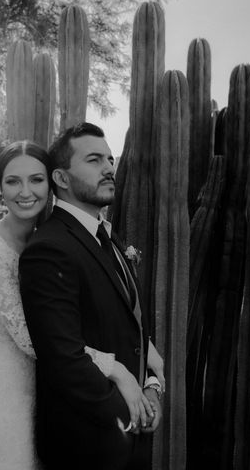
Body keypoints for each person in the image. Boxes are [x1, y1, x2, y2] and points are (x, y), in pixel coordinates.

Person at [0, 140, 147, 470]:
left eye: (36, 180)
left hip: (51, 391)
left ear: (53, 183)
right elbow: (34, 339)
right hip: (4, 392)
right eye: (12, 181)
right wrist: (116, 368)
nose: (25, 192)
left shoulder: (47, 239)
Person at [19, 122, 164, 470]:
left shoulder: (110, 239)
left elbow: (131, 328)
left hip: (133, 442)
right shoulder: (49, 249)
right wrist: (129, 413)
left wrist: (153, 387)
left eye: (110, 160)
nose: (110, 168)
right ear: (62, 179)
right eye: (95, 160)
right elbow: (63, 357)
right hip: (89, 447)